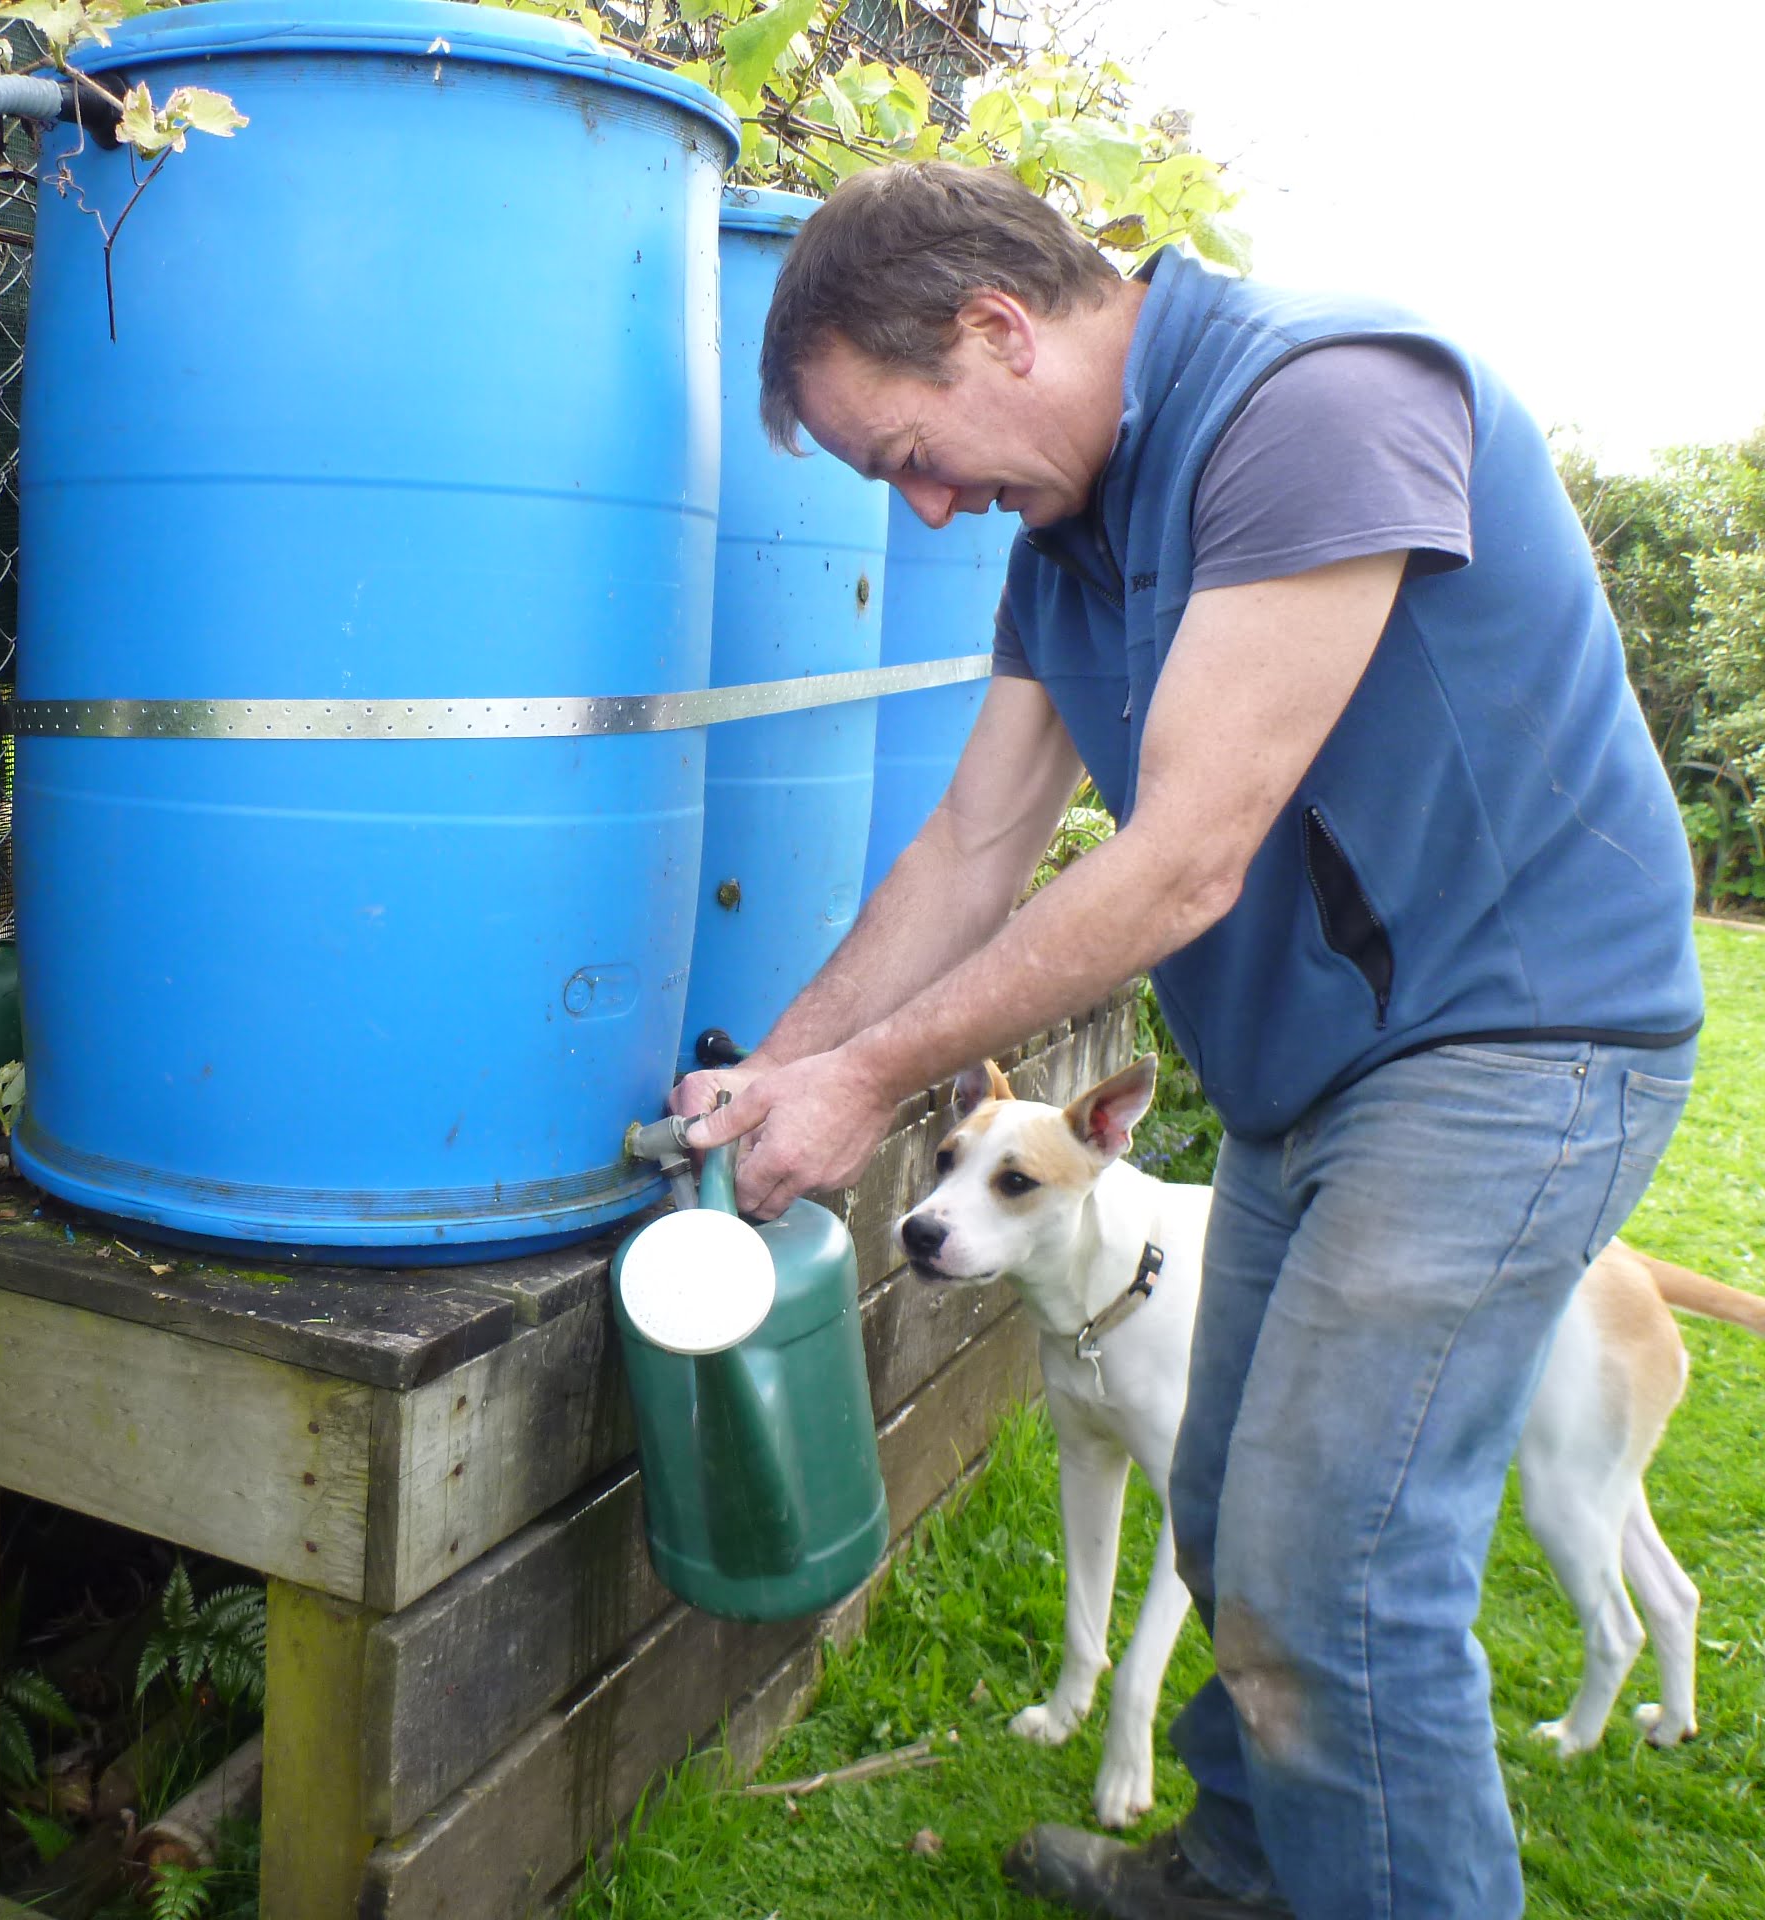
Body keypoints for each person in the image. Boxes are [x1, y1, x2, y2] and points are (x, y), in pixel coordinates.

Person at [669, 162, 1702, 1920]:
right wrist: (796, 1055)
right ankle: (1238, 1870)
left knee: (1339, 1580)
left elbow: (1183, 859)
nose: (921, 514)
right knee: (1230, 1508)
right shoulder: (1066, 547)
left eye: (906, 452)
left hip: (1515, 1051)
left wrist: (868, 1085)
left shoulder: (1320, 406)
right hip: (1321, 1080)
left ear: (999, 330)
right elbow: (971, 849)